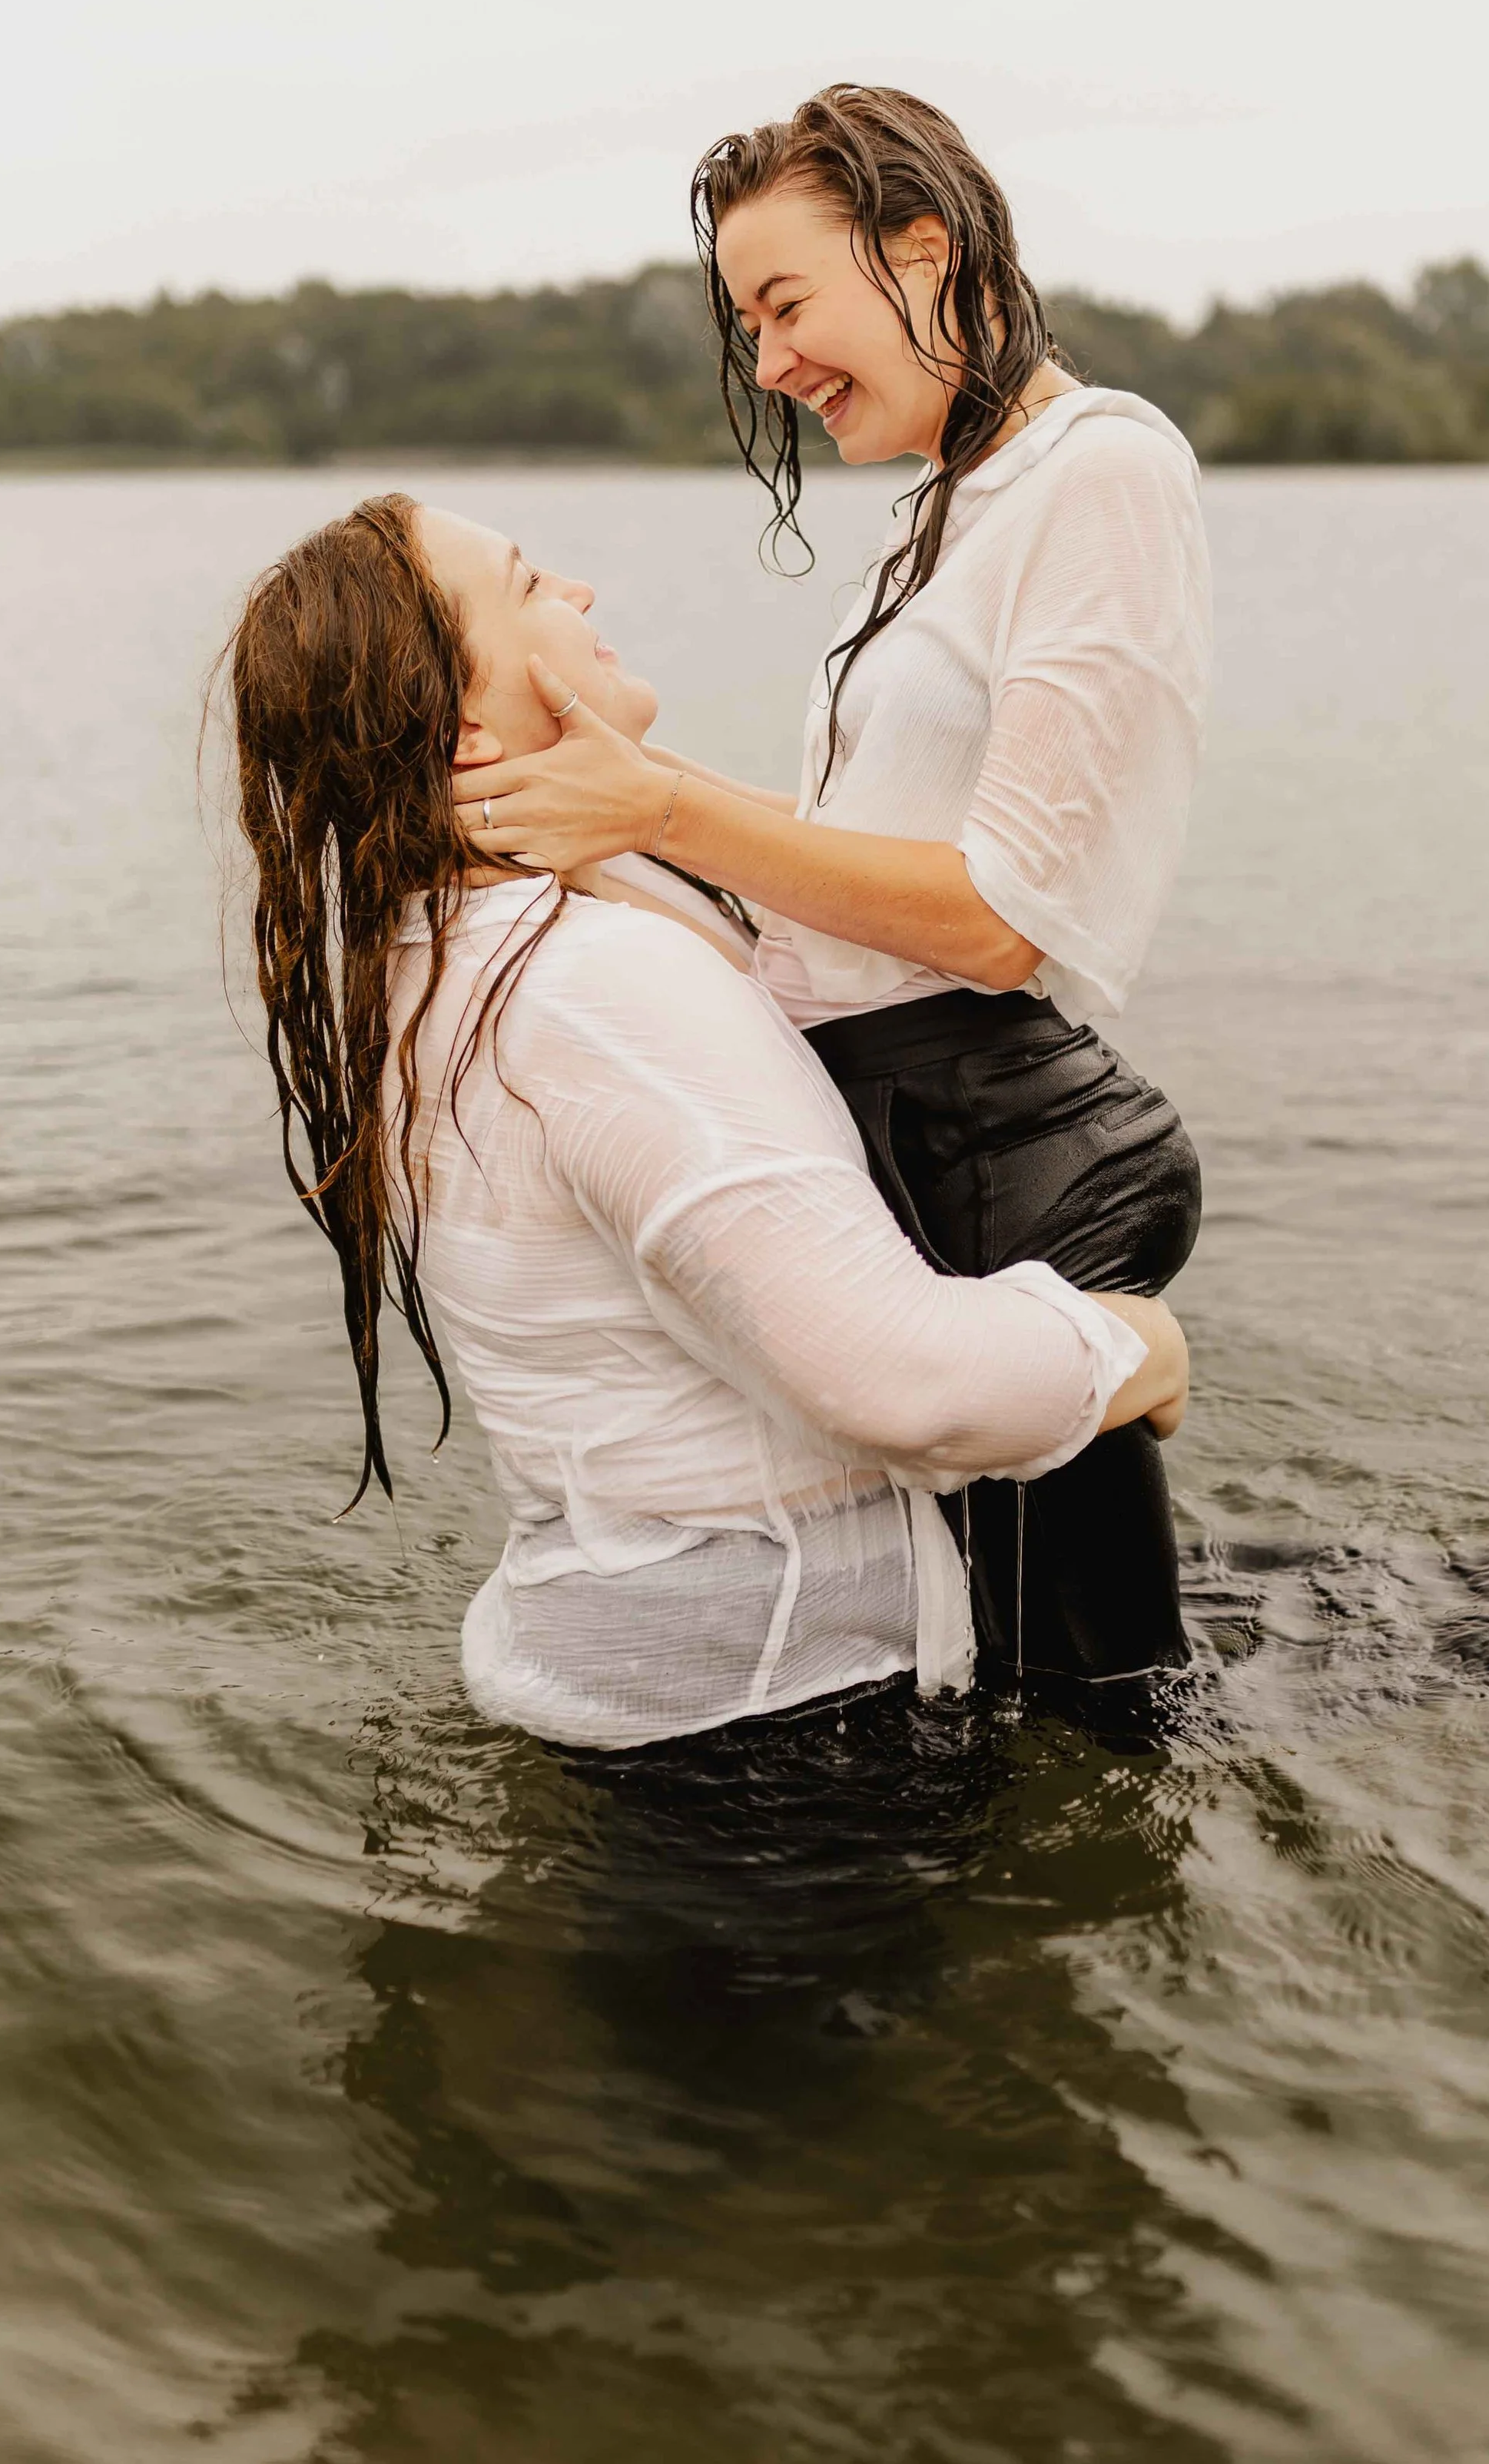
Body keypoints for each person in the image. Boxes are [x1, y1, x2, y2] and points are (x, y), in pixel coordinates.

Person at [219, 493, 1189, 1755]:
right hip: (778, 1733)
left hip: (645, 1682)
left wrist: (638, 804)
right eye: (525, 587)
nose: (576, 591)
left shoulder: (424, 957)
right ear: (469, 735)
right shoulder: (594, 987)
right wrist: (1134, 1349)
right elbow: (899, 1381)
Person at [455, 85, 1211, 1697]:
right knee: (1026, 1652)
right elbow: (818, 942)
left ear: (922, 248)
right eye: (746, 325)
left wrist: (663, 802)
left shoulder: (1101, 471)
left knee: (1100, 1694)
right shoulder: (945, 519)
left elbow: (1005, 915)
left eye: (785, 303)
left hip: (1007, 1151)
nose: (768, 364)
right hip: (903, 1142)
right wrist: (596, 846)